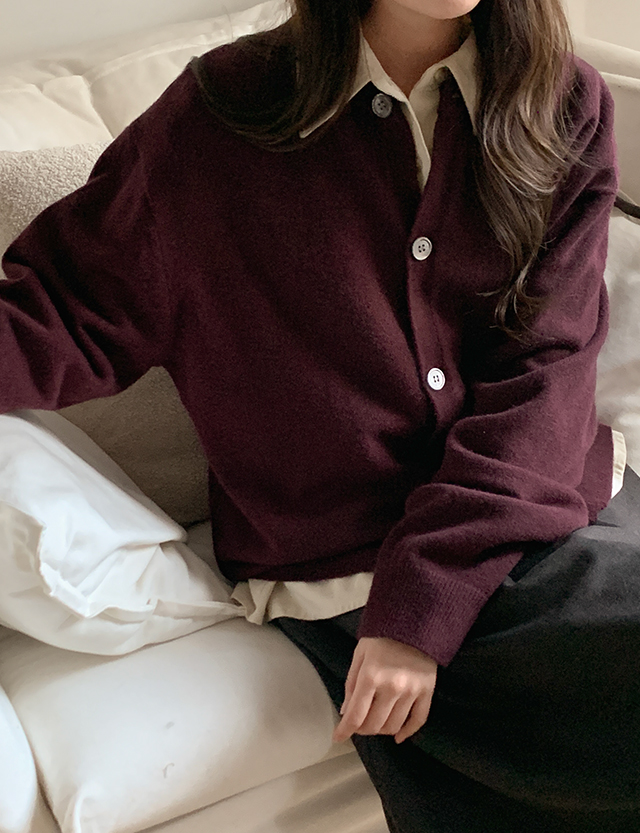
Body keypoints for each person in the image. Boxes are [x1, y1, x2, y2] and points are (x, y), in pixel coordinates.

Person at [1, 0, 639, 829]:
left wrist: (430, 592)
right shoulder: (219, 115)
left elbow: (547, 370)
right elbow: (64, 308)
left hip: (547, 499)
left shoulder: (562, 101)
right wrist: (414, 615)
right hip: (354, 558)